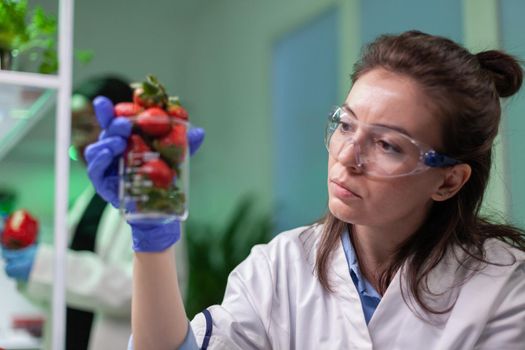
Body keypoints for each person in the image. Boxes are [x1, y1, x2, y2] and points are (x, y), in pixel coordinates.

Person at [85, 30, 525, 350]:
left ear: (448, 180)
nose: (348, 156)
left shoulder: (504, 288)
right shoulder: (279, 268)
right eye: (346, 124)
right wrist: (151, 227)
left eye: (388, 145)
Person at [0, 76, 203, 350]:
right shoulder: (87, 201)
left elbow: (130, 292)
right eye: (72, 131)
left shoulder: (151, 204)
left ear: (122, 127)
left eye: (85, 128)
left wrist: (44, 265)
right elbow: (72, 297)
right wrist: (30, 270)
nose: (78, 142)